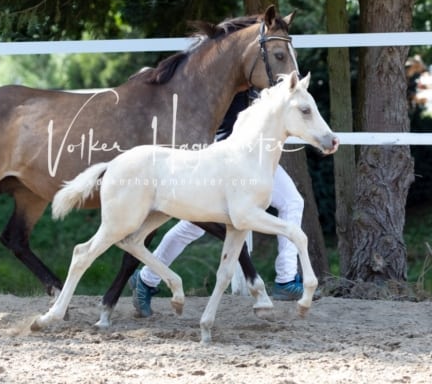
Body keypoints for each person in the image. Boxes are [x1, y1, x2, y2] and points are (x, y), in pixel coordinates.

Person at [128, 90, 311, 318]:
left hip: (255, 154)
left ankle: (286, 279)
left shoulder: (261, 73)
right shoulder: (236, 67)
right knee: (192, 225)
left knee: (292, 201)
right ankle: (146, 278)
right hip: (229, 154)